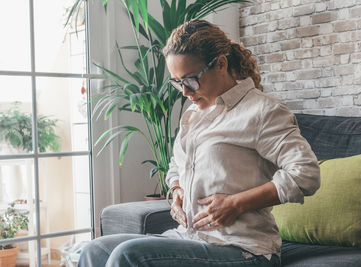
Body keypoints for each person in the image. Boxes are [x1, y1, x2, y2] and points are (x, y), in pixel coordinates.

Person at [78, 19, 320, 267]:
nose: (184, 91)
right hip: (189, 237)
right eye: (177, 82)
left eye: (190, 80)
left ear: (221, 64)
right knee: (96, 250)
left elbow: (306, 174)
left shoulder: (262, 111)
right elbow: (175, 166)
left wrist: (236, 203)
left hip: (243, 248)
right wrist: (177, 190)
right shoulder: (193, 116)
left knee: (128, 256)